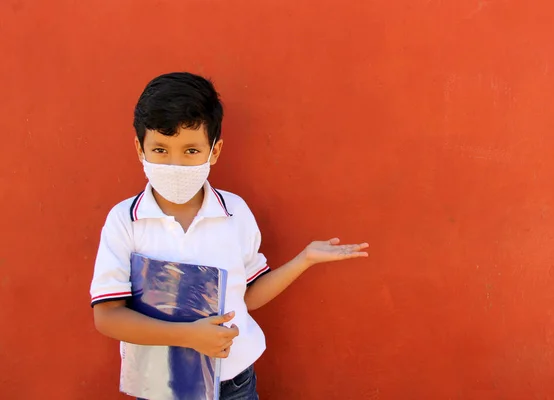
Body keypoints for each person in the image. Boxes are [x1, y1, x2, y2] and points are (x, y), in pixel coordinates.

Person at [89, 72, 369, 400]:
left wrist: (303, 260)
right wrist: (187, 336)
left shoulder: (235, 213)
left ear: (215, 151)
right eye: (161, 150)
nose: (175, 164)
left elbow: (246, 295)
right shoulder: (125, 221)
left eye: (191, 151)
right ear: (140, 148)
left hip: (233, 383)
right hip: (159, 387)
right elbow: (107, 316)